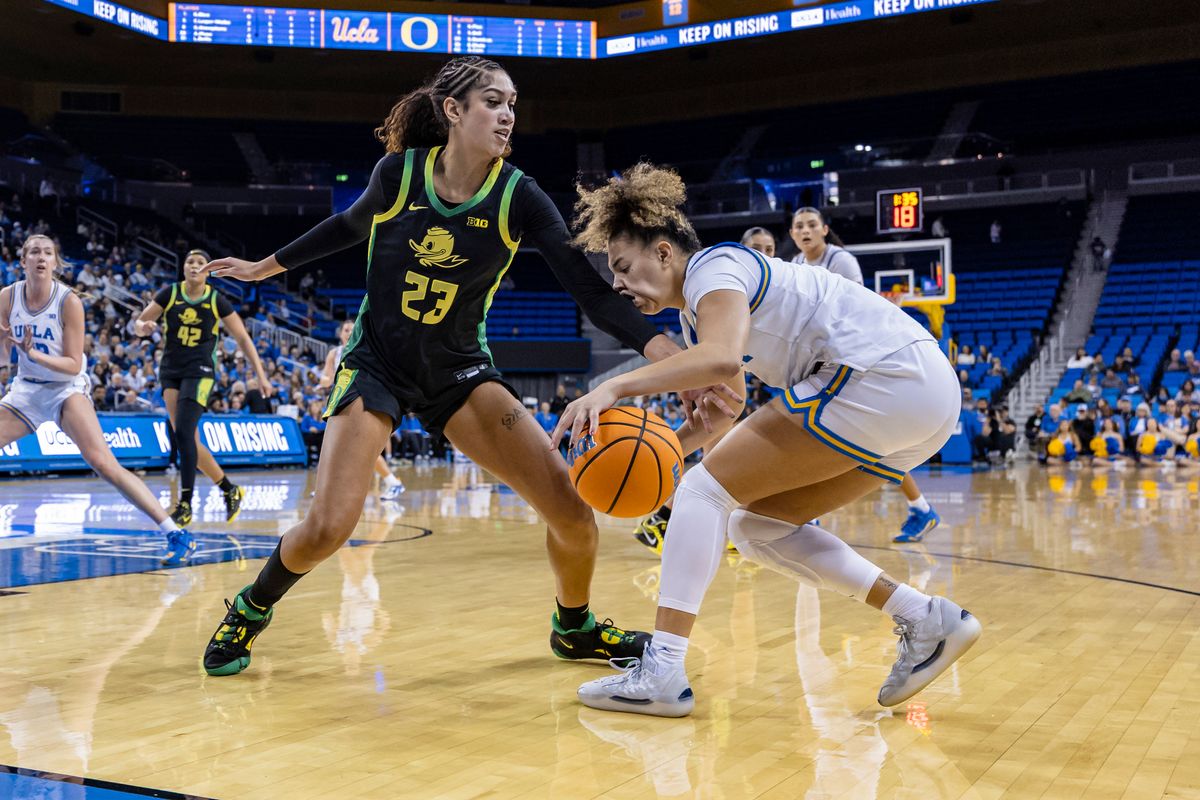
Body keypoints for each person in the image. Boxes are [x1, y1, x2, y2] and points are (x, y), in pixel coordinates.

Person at [197, 57, 696, 678]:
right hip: (378, 362)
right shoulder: (399, 175)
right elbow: (349, 225)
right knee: (329, 526)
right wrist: (264, 267)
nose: (509, 114)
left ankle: (574, 629)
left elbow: (590, 295)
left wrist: (670, 357)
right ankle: (251, 606)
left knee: (571, 511)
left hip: (459, 371)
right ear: (453, 111)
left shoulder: (520, 195)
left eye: (513, 103)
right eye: (493, 101)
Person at [557, 163, 980, 717]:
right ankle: (923, 617)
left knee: (703, 493)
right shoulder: (697, 316)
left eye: (623, 266)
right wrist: (662, 452)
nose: (617, 283)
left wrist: (612, 388)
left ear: (663, 252)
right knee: (756, 526)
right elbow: (724, 408)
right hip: (915, 397)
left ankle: (662, 668)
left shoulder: (715, 267)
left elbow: (722, 360)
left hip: (881, 375)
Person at [0, 236, 194, 564]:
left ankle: (174, 531)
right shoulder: (7, 297)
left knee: (103, 463)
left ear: (56, 263)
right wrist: (6, 351)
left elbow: (74, 363)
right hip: (27, 389)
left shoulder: (68, 302)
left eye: (48, 252)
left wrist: (32, 353)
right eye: (34, 251)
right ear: (23, 261)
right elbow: (5, 355)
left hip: (66, 388)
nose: (41, 257)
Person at [133, 250, 270, 526]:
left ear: (208, 271)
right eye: (190, 262)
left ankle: (185, 504)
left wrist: (261, 374)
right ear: (183, 268)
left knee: (183, 432)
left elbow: (243, 339)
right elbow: (139, 323)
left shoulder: (216, 300)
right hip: (171, 370)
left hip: (201, 371)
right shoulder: (169, 293)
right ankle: (229, 490)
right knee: (187, 439)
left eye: (200, 263)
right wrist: (143, 327)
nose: (194, 266)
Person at [320, 318, 404, 500]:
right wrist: (324, 381)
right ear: (340, 333)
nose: (349, 333)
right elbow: (325, 377)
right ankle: (328, 488)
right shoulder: (334, 354)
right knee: (338, 447)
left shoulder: (362, 346)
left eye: (352, 329)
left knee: (362, 448)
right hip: (338, 400)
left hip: (359, 397)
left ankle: (392, 482)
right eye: (346, 330)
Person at [788, 207, 863, 284]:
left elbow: (857, 295)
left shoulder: (842, 260)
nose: (805, 231)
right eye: (799, 227)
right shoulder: (796, 262)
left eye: (812, 225)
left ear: (825, 230)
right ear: (792, 234)